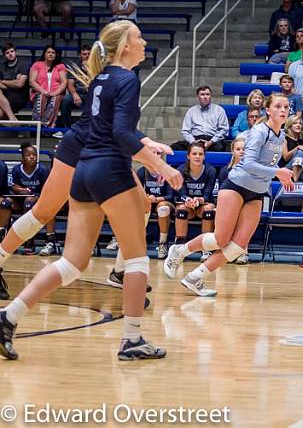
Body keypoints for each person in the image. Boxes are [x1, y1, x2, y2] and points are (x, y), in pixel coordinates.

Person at [1, 20, 183, 361]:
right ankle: (132, 339)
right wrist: (162, 166)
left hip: (83, 170)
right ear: (125, 46)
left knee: (72, 264)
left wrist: (145, 142)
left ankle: (9, 315)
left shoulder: (100, 79)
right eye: (139, 37)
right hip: (110, 170)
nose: (144, 41)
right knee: (137, 258)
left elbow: (113, 129)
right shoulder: (128, 79)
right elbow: (120, 134)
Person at [163, 93, 294, 297]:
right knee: (220, 239)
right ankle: (179, 251)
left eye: (286, 107)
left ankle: (195, 277)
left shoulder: (282, 135)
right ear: (268, 110)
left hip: (257, 192)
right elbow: (248, 163)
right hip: (236, 185)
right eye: (278, 106)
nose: (283, 110)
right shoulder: (259, 131)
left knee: (237, 247)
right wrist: (278, 172)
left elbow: (269, 163)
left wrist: (282, 176)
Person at [2, 144, 53, 255]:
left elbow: (47, 190)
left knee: (29, 202)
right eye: (28, 155)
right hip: (20, 199)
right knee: (5, 203)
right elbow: (13, 186)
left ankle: (29, 242)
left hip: (37, 200)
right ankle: (3, 237)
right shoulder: (16, 169)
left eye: (34, 155)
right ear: (23, 158)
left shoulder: (43, 170)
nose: (32, 157)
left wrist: (35, 196)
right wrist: (20, 189)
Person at [172, 142, 218, 258]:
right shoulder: (181, 170)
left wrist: (199, 200)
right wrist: (187, 199)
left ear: (204, 156)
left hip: (203, 204)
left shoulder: (210, 170)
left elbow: (208, 193)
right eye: (194, 154)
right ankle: (179, 247)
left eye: (200, 154)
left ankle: (206, 249)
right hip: (188, 205)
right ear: (188, 156)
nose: (197, 156)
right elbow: (180, 192)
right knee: (181, 209)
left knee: (209, 209)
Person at [173, 86, 229, 151]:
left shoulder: (219, 110)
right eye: (202, 94)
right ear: (198, 96)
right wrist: (193, 142)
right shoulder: (191, 111)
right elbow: (185, 131)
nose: (205, 97)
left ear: (210, 96)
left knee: (220, 147)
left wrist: (211, 142)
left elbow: (224, 130)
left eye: (207, 94)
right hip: (195, 139)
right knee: (175, 147)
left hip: (212, 140)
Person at [139, 156, 173, 260]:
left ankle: (163, 243)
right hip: (148, 202)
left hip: (165, 202)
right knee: (132, 206)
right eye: (152, 153)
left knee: (163, 208)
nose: (155, 155)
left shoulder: (167, 171)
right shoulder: (142, 171)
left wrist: (157, 199)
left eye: (158, 153)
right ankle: (128, 240)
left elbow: (171, 196)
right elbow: (137, 193)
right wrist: (147, 197)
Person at [28, 44, 66, 128]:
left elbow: (64, 82)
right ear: (44, 54)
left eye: (53, 52)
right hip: (39, 92)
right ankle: (36, 125)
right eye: (48, 52)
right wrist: (44, 91)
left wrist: (55, 92)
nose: (51, 54)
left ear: (56, 55)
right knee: (41, 97)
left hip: (56, 93)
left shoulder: (60, 66)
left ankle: (46, 126)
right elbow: (32, 82)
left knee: (55, 99)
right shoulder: (37, 65)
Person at [58, 44, 92, 127]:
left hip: (92, 92)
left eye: (89, 54)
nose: (87, 56)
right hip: (78, 92)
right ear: (80, 55)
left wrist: (88, 69)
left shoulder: (97, 66)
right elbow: (70, 83)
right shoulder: (74, 67)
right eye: (84, 54)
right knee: (66, 100)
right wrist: (74, 94)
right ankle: (66, 128)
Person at [0, 43, 30, 121]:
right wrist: (14, 82)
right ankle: (12, 119)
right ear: (4, 55)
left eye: (12, 51)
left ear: (15, 52)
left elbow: (20, 84)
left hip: (19, 96)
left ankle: (12, 118)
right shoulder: (2, 66)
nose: (10, 54)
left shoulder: (23, 65)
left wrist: (3, 81)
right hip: (4, 96)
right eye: (7, 53)